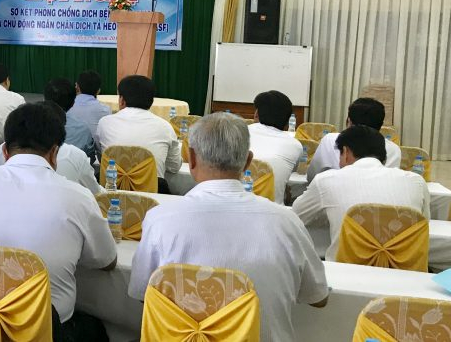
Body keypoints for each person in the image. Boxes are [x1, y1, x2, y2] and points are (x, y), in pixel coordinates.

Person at [129, 113, 329, 342]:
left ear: (191, 158)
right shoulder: (286, 221)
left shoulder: (159, 218)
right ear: (248, 161)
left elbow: (143, 292)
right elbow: (318, 297)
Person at [0, 103, 116, 340]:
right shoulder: (78, 196)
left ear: (5, 151)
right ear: (54, 152)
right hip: (47, 330)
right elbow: (107, 260)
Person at [292, 125, 430, 260]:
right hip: (404, 269)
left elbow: (297, 215)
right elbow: (423, 223)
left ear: (345, 152)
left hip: (345, 269)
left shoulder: (326, 180)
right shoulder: (416, 181)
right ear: (384, 156)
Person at [96, 75, 180, 189]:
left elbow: (103, 159)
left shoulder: (105, 123)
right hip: (152, 193)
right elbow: (174, 167)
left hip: (112, 189)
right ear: (151, 101)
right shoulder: (165, 127)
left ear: (121, 100)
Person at [306, 97, 403, 181]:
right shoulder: (394, 150)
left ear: (349, 121)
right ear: (381, 125)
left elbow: (312, 177)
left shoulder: (330, 140)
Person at [248, 90, 304, 203]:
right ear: (288, 121)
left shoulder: (239, 133)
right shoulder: (295, 145)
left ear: (256, 114)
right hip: (273, 209)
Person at [45, 76, 96, 162]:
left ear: (44, 99)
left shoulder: (30, 127)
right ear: (73, 103)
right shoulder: (83, 128)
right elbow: (90, 159)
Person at [67, 70, 111, 141]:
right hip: (94, 147)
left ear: (77, 87)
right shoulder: (105, 110)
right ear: (98, 91)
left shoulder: (67, 107)